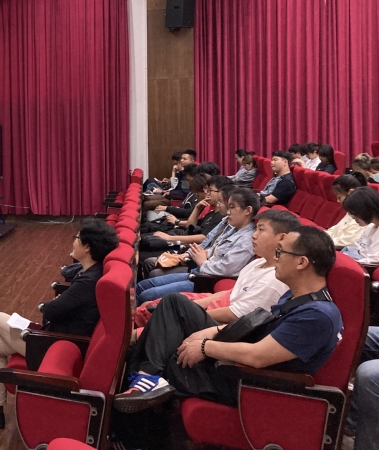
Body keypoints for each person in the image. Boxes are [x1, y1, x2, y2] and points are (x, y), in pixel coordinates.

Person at [113, 227, 342, 422]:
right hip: (240, 350)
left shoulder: (317, 315)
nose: (276, 257)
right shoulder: (297, 296)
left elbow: (258, 357)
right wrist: (211, 332)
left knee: (163, 353)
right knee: (174, 303)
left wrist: (205, 346)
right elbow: (258, 327)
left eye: (281, 252)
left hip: (248, 380)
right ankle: (147, 378)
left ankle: (137, 410)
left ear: (302, 262)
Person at [0, 219, 118, 429]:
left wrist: (48, 305)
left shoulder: (88, 281)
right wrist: (56, 304)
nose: (73, 241)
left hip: (53, 344)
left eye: (76, 238)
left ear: (87, 247)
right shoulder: (92, 272)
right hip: (60, 337)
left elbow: (50, 310)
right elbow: (61, 303)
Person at [136, 188, 258, 305]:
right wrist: (191, 254)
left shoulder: (247, 239)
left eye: (232, 207)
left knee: (146, 295)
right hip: (199, 271)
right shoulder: (233, 227)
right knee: (141, 286)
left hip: (205, 280)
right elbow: (212, 246)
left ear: (247, 210)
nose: (228, 212)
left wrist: (202, 261)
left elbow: (226, 269)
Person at [327, 174, 366, 249]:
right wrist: (321, 236)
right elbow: (336, 229)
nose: (338, 201)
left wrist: (321, 242)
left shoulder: (362, 214)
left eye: (339, 197)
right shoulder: (351, 211)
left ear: (351, 192)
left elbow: (348, 241)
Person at [340, 186, 379, 263]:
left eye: (354, 213)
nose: (353, 217)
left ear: (365, 209)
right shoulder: (370, 226)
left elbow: (374, 262)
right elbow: (357, 247)